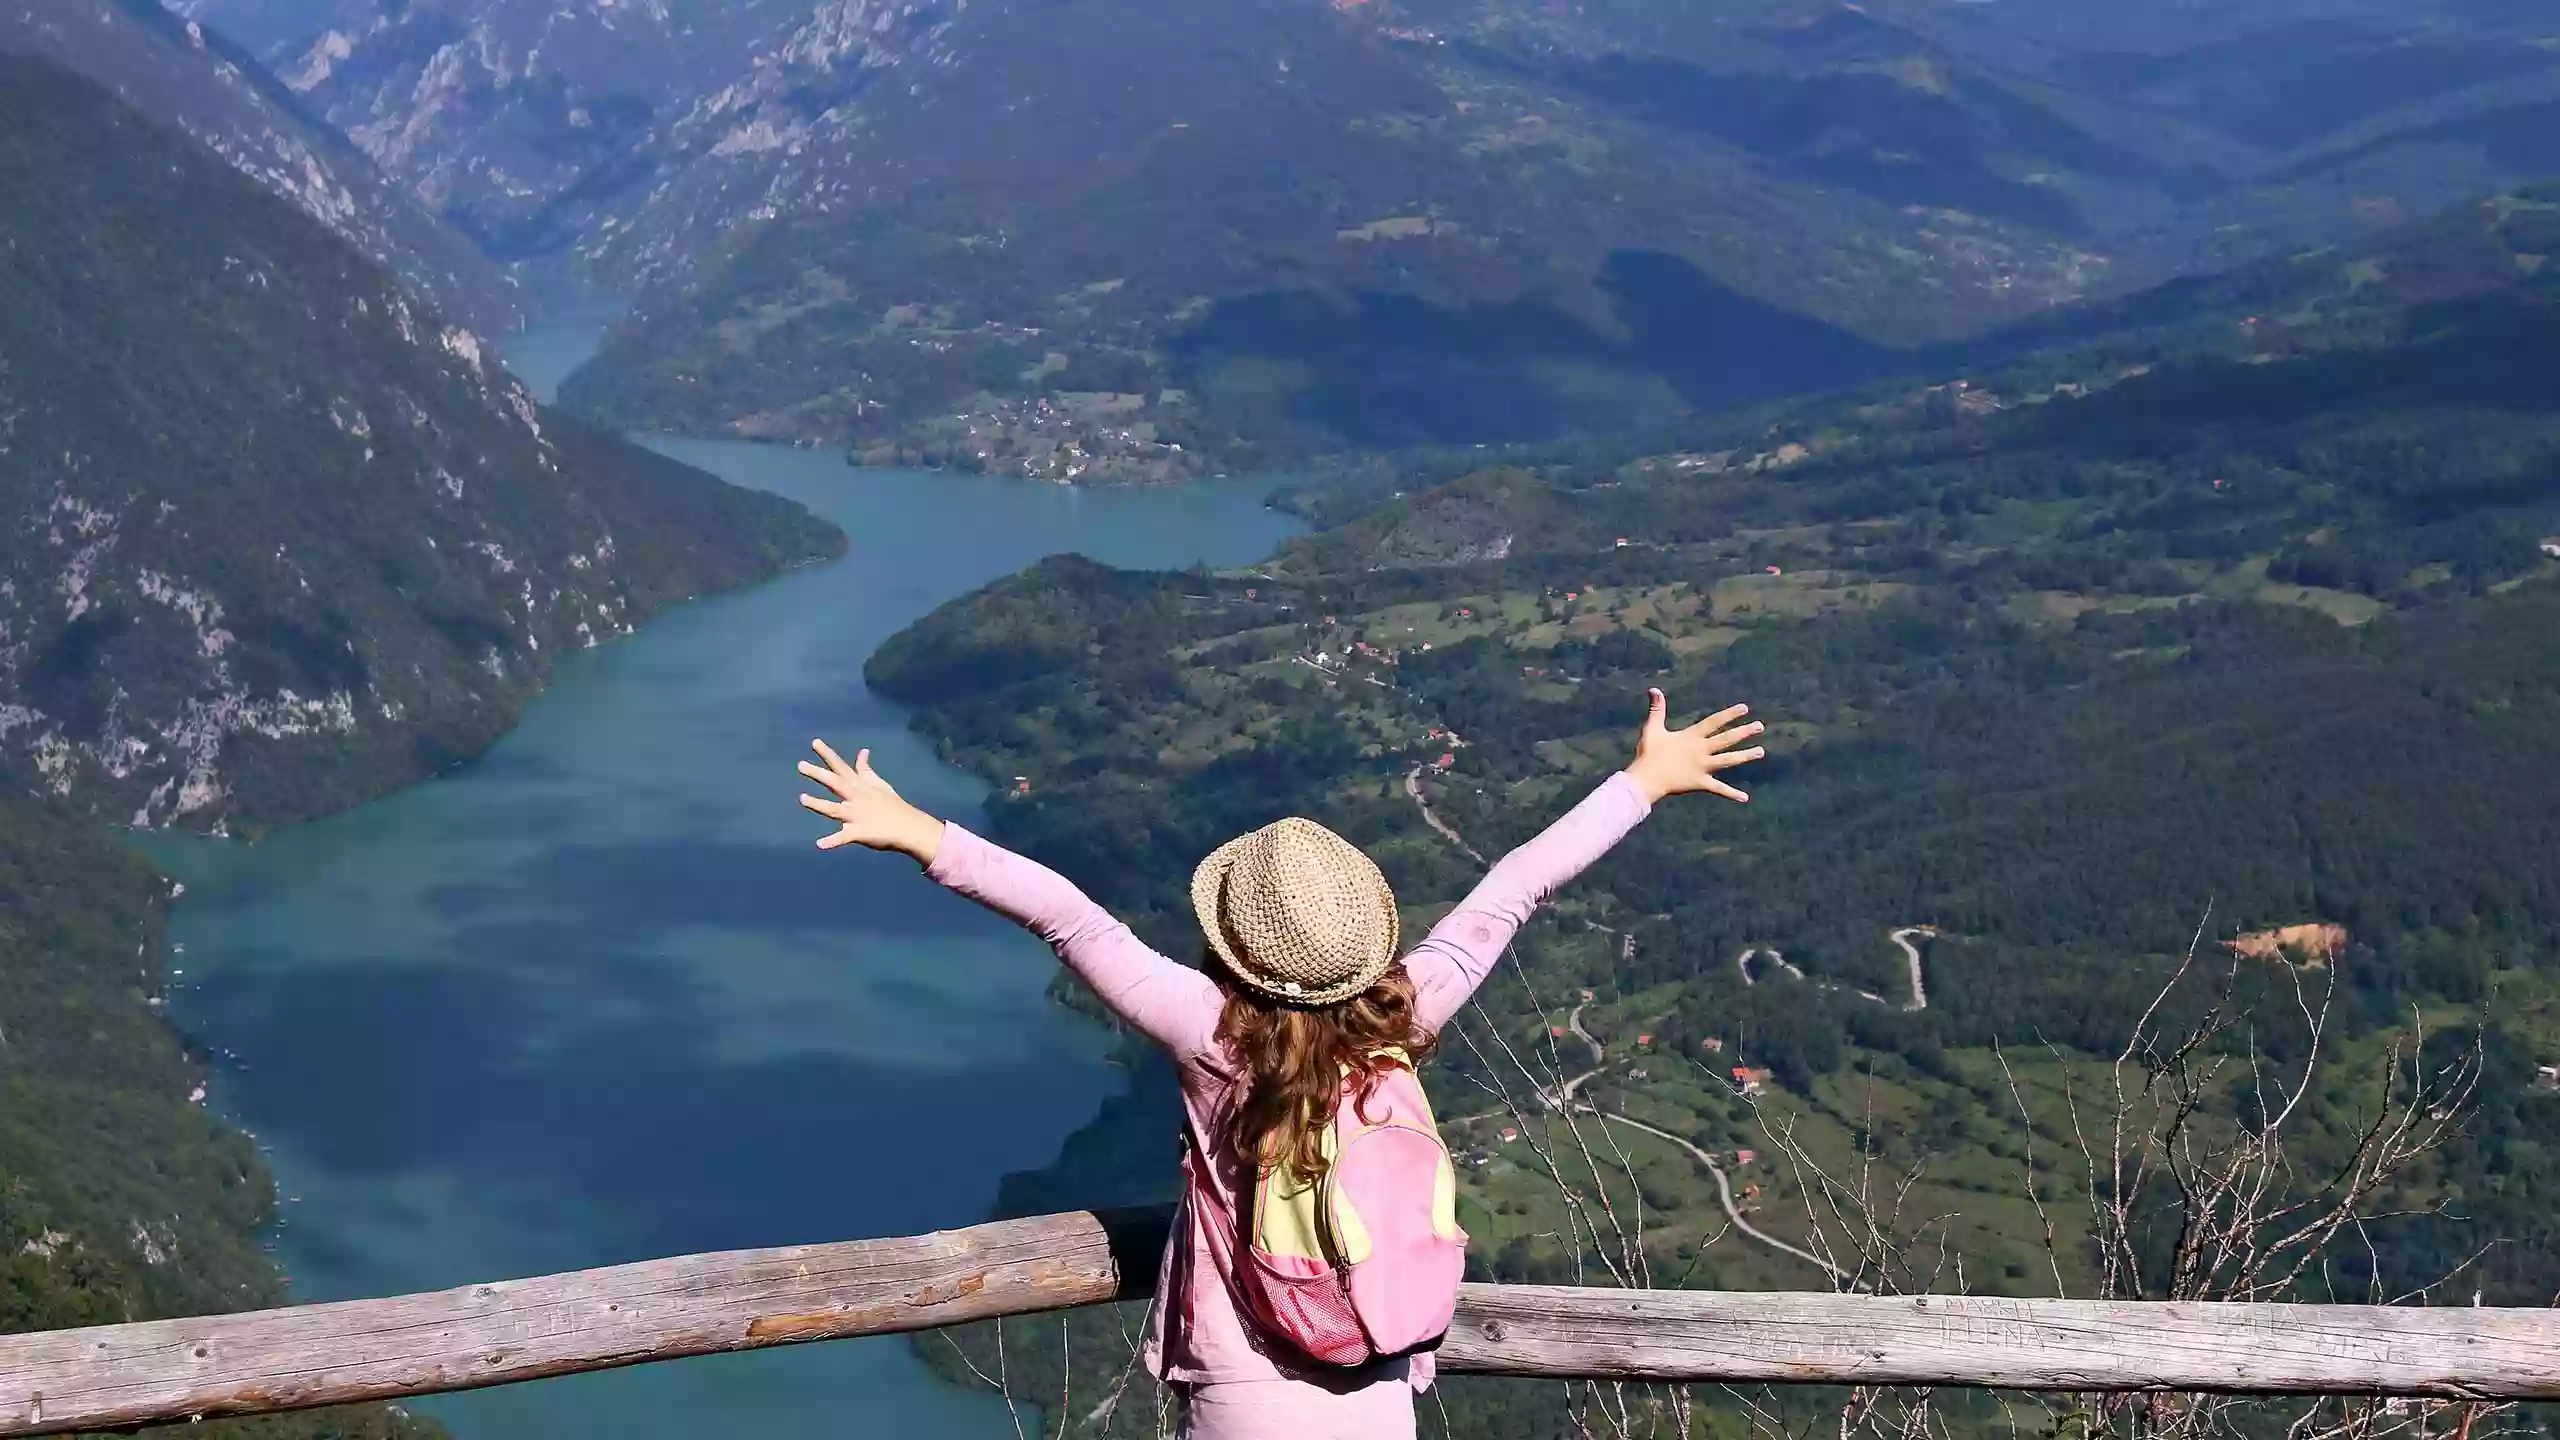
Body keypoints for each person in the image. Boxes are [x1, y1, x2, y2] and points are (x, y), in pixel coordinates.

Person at [797, 688, 1765, 1439]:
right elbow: (1511, 890)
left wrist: (918, 830)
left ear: (1235, 946)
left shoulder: (1211, 1036)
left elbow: (1069, 916)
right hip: (1378, 1387)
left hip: (1244, 1390)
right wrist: (1641, 781)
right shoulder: (1401, 1012)